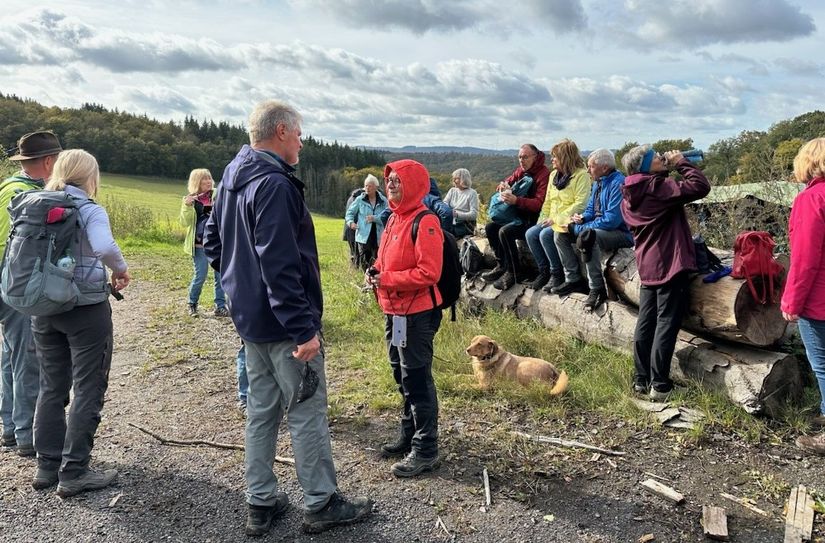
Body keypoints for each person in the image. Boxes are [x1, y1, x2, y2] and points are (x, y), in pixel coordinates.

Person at [203, 100, 372, 536]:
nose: (301, 141)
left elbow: (213, 241)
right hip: (284, 327)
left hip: (251, 322)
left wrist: (239, 289)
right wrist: (302, 328)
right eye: (298, 133)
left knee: (261, 411)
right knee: (305, 410)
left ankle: (260, 500)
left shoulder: (232, 176)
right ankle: (321, 501)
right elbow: (280, 265)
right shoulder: (274, 185)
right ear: (280, 131)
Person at [31, 149, 130, 496]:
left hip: (43, 307)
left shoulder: (37, 203)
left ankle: (46, 467)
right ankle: (74, 471)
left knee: (51, 386)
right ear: (90, 176)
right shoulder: (88, 208)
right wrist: (120, 269)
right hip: (85, 307)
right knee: (89, 387)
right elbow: (103, 246)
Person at [365, 159, 444, 478]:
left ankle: (426, 449)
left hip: (417, 314)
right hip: (395, 313)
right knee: (401, 373)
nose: (391, 184)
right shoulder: (395, 218)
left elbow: (430, 272)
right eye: (389, 180)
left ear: (413, 184)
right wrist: (375, 271)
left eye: (398, 180)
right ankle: (409, 433)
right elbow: (385, 260)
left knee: (417, 379)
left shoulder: (425, 221)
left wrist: (388, 280)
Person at [620, 145, 710, 401]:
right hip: (671, 262)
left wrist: (666, 172)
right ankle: (660, 385)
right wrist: (681, 162)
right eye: (655, 157)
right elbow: (700, 186)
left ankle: (641, 379)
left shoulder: (629, 192)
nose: (662, 157)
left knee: (646, 322)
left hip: (647, 263)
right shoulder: (656, 188)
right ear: (645, 165)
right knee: (666, 323)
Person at [0, 131, 62, 457]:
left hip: (4, 281)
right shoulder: (32, 198)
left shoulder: (7, 187)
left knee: (10, 355)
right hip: (17, 283)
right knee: (28, 357)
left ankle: (10, 428)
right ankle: (27, 435)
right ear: (49, 161)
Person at [781, 138, 825, 455]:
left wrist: (791, 301)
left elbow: (805, 259)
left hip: (820, 299)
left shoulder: (812, 199)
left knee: (823, 365)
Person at [553, 148, 633, 310]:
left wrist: (578, 228)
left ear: (604, 167)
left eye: (591, 166)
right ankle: (573, 279)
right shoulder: (598, 181)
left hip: (622, 233)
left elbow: (611, 221)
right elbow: (591, 209)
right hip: (598, 228)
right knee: (559, 235)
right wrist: (581, 218)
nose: (588, 170)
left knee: (587, 237)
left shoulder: (618, 183)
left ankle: (597, 288)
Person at [524, 139, 590, 294]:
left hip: (569, 221)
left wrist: (556, 219)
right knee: (531, 233)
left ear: (565, 158)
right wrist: (541, 221)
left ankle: (557, 273)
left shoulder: (581, 176)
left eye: (555, 156)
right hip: (551, 218)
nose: (552, 159)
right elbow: (547, 202)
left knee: (546, 235)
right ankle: (544, 271)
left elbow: (581, 204)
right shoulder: (554, 175)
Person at [481, 144, 550, 290]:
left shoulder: (543, 174)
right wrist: (503, 185)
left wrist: (516, 201)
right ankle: (502, 265)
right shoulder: (522, 171)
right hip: (516, 216)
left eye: (525, 157)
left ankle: (514, 272)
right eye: (519, 157)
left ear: (535, 157)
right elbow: (508, 181)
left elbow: (539, 204)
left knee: (505, 231)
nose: (521, 160)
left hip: (532, 219)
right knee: (490, 227)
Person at [179, 168, 227, 317]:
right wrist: (187, 207)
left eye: (209, 178)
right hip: (199, 245)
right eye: (204, 179)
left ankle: (220, 306)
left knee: (220, 276)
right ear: (196, 182)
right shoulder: (190, 200)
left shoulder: (218, 195)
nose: (208, 181)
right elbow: (184, 222)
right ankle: (192, 303)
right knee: (200, 275)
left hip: (218, 244)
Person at [345, 174, 388, 270]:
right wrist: (351, 223)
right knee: (364, 260)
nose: (367, 188)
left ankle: (376, 281)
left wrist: (375, 219)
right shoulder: (360, 199)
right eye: (366, 186)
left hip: (378, 236)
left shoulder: (384, 201)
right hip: (363, 236)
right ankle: (366, 279)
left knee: (378, 260)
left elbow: (388, 216)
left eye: (370, 186)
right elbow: (349, 213)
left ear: (376, 187)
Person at [443, 168, 479, 239]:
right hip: (451, 221)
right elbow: (444, 204)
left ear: (463, 179)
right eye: (453, 178)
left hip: (464, 224)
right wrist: (447, 211)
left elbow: (474, 215)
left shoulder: (472, 193)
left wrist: (457, 215)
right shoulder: (452, 191)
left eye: (456, 179)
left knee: (447, 235)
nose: (454, 181)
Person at [342, 187, 365, 267]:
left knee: (353, 253)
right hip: (354, 229)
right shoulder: (359, 199)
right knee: (358, 254)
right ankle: (357, 271)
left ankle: (354, 269)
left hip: (348, 229)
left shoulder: (351, 198)